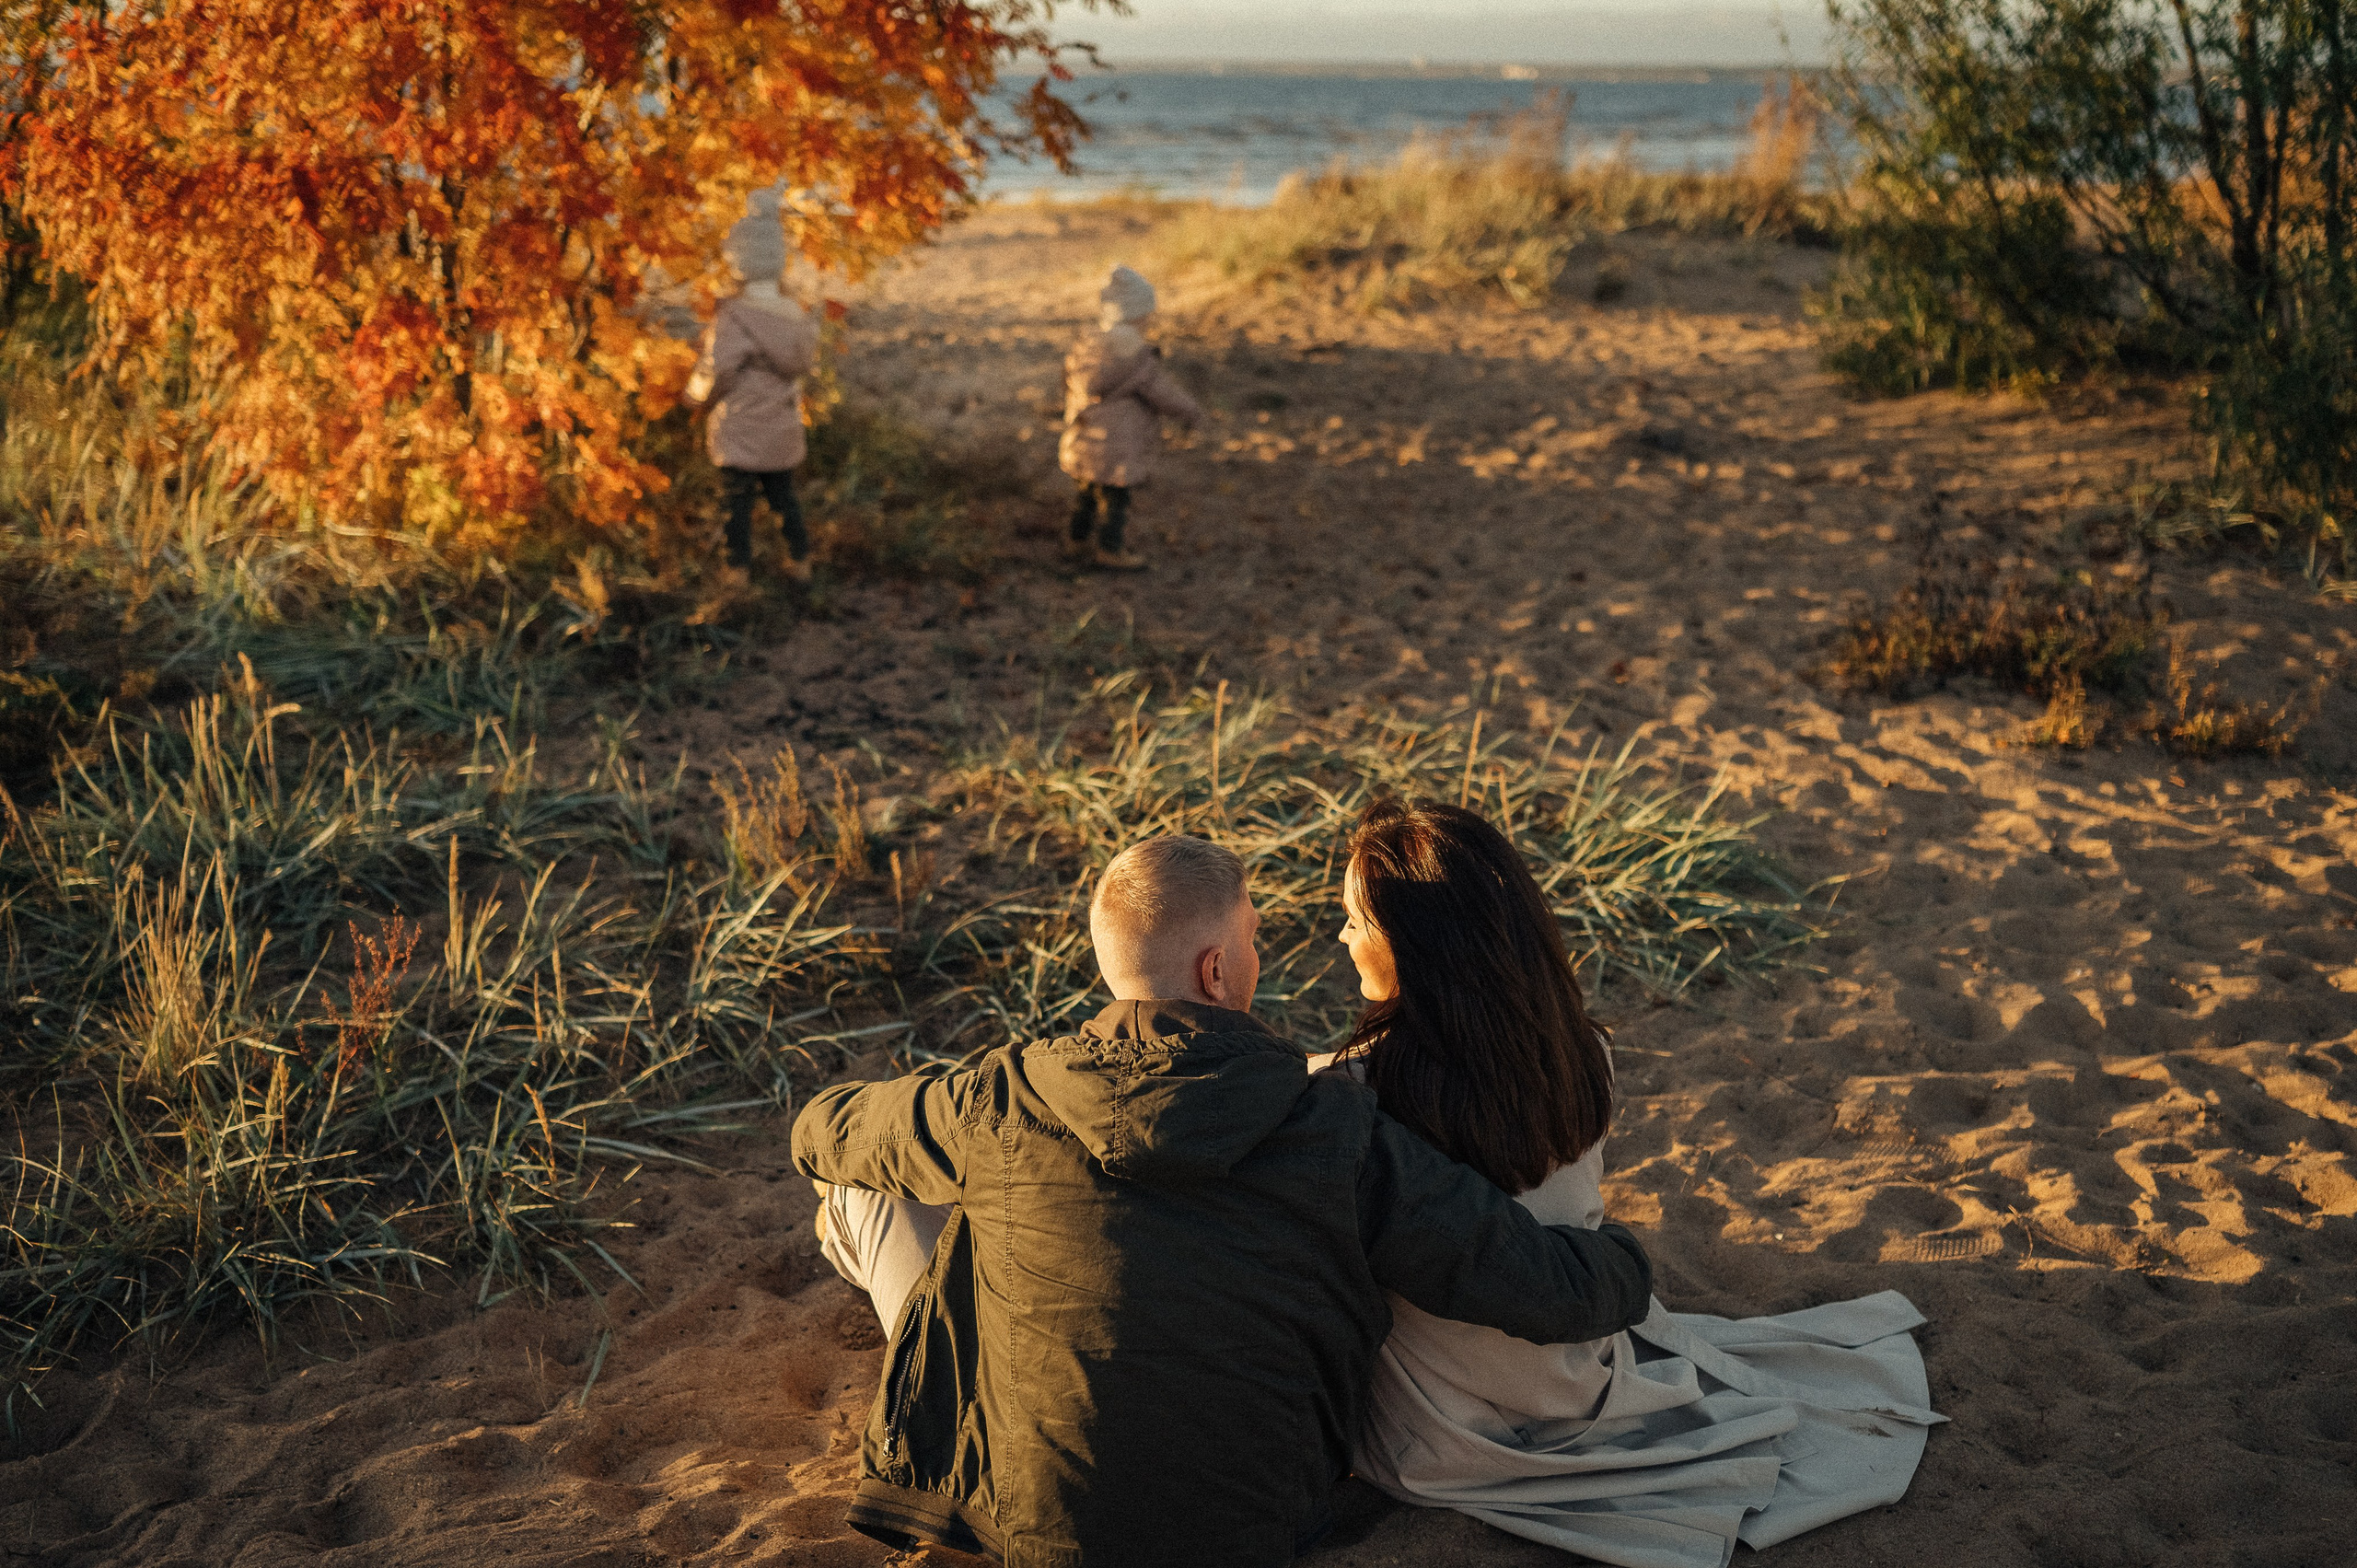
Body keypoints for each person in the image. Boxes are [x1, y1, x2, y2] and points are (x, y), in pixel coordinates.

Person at [794, 834, 1656, 1568]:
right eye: (1253, 935)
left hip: (1037, 1530)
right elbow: (1533, 1282)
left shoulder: (1002, 1096)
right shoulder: (1331, 1123)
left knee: (881, 1194)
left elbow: (817, 1132)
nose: (1260, 953)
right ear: (1216, 970)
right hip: (1266, 1526)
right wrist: (1624, 1256)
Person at [1322, 799, 1944, 1568]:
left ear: (1415, 943)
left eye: (1356, 921)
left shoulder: (1352, 1096)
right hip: (1580, 1377)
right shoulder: (1583, 1056)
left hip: (1445, 1424)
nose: (1343, 938)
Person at [686, 204, 820, 582]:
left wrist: (696, 397)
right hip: (781, 420)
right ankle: (801, 562)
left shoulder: (734, 316)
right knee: (784, 498)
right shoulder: (796, 314)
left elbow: (717, 368)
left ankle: (738, 572)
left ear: (737, 263)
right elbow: (805, 362)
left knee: (736, 502)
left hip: (741, 423)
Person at [1057, 265, 1202, 572]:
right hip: (1117, 449)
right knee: (1116, 501)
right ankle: (1110, 549)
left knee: (1085, 495)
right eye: (1147, 314)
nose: (1150, 320)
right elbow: (1163, 393)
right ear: (1136, 315)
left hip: (1083, 440)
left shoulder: (1086, 346)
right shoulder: (1135, 356)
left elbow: (1068, 384)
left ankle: (1076, 541)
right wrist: (1191, 412)